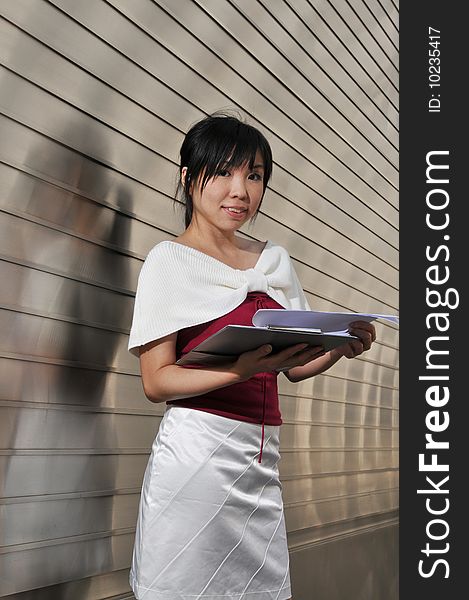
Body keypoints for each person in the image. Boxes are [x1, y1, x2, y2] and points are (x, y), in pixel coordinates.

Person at [127, 112, 376, 600]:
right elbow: (157, 382)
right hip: (196, 456)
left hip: (261, 458)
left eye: (254, 175)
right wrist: (239, 369)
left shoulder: (273, 260)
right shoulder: (168, 261)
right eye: (222, 171)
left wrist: (338, 347)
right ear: (187, 177)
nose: (239, 189)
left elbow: (296, 365)